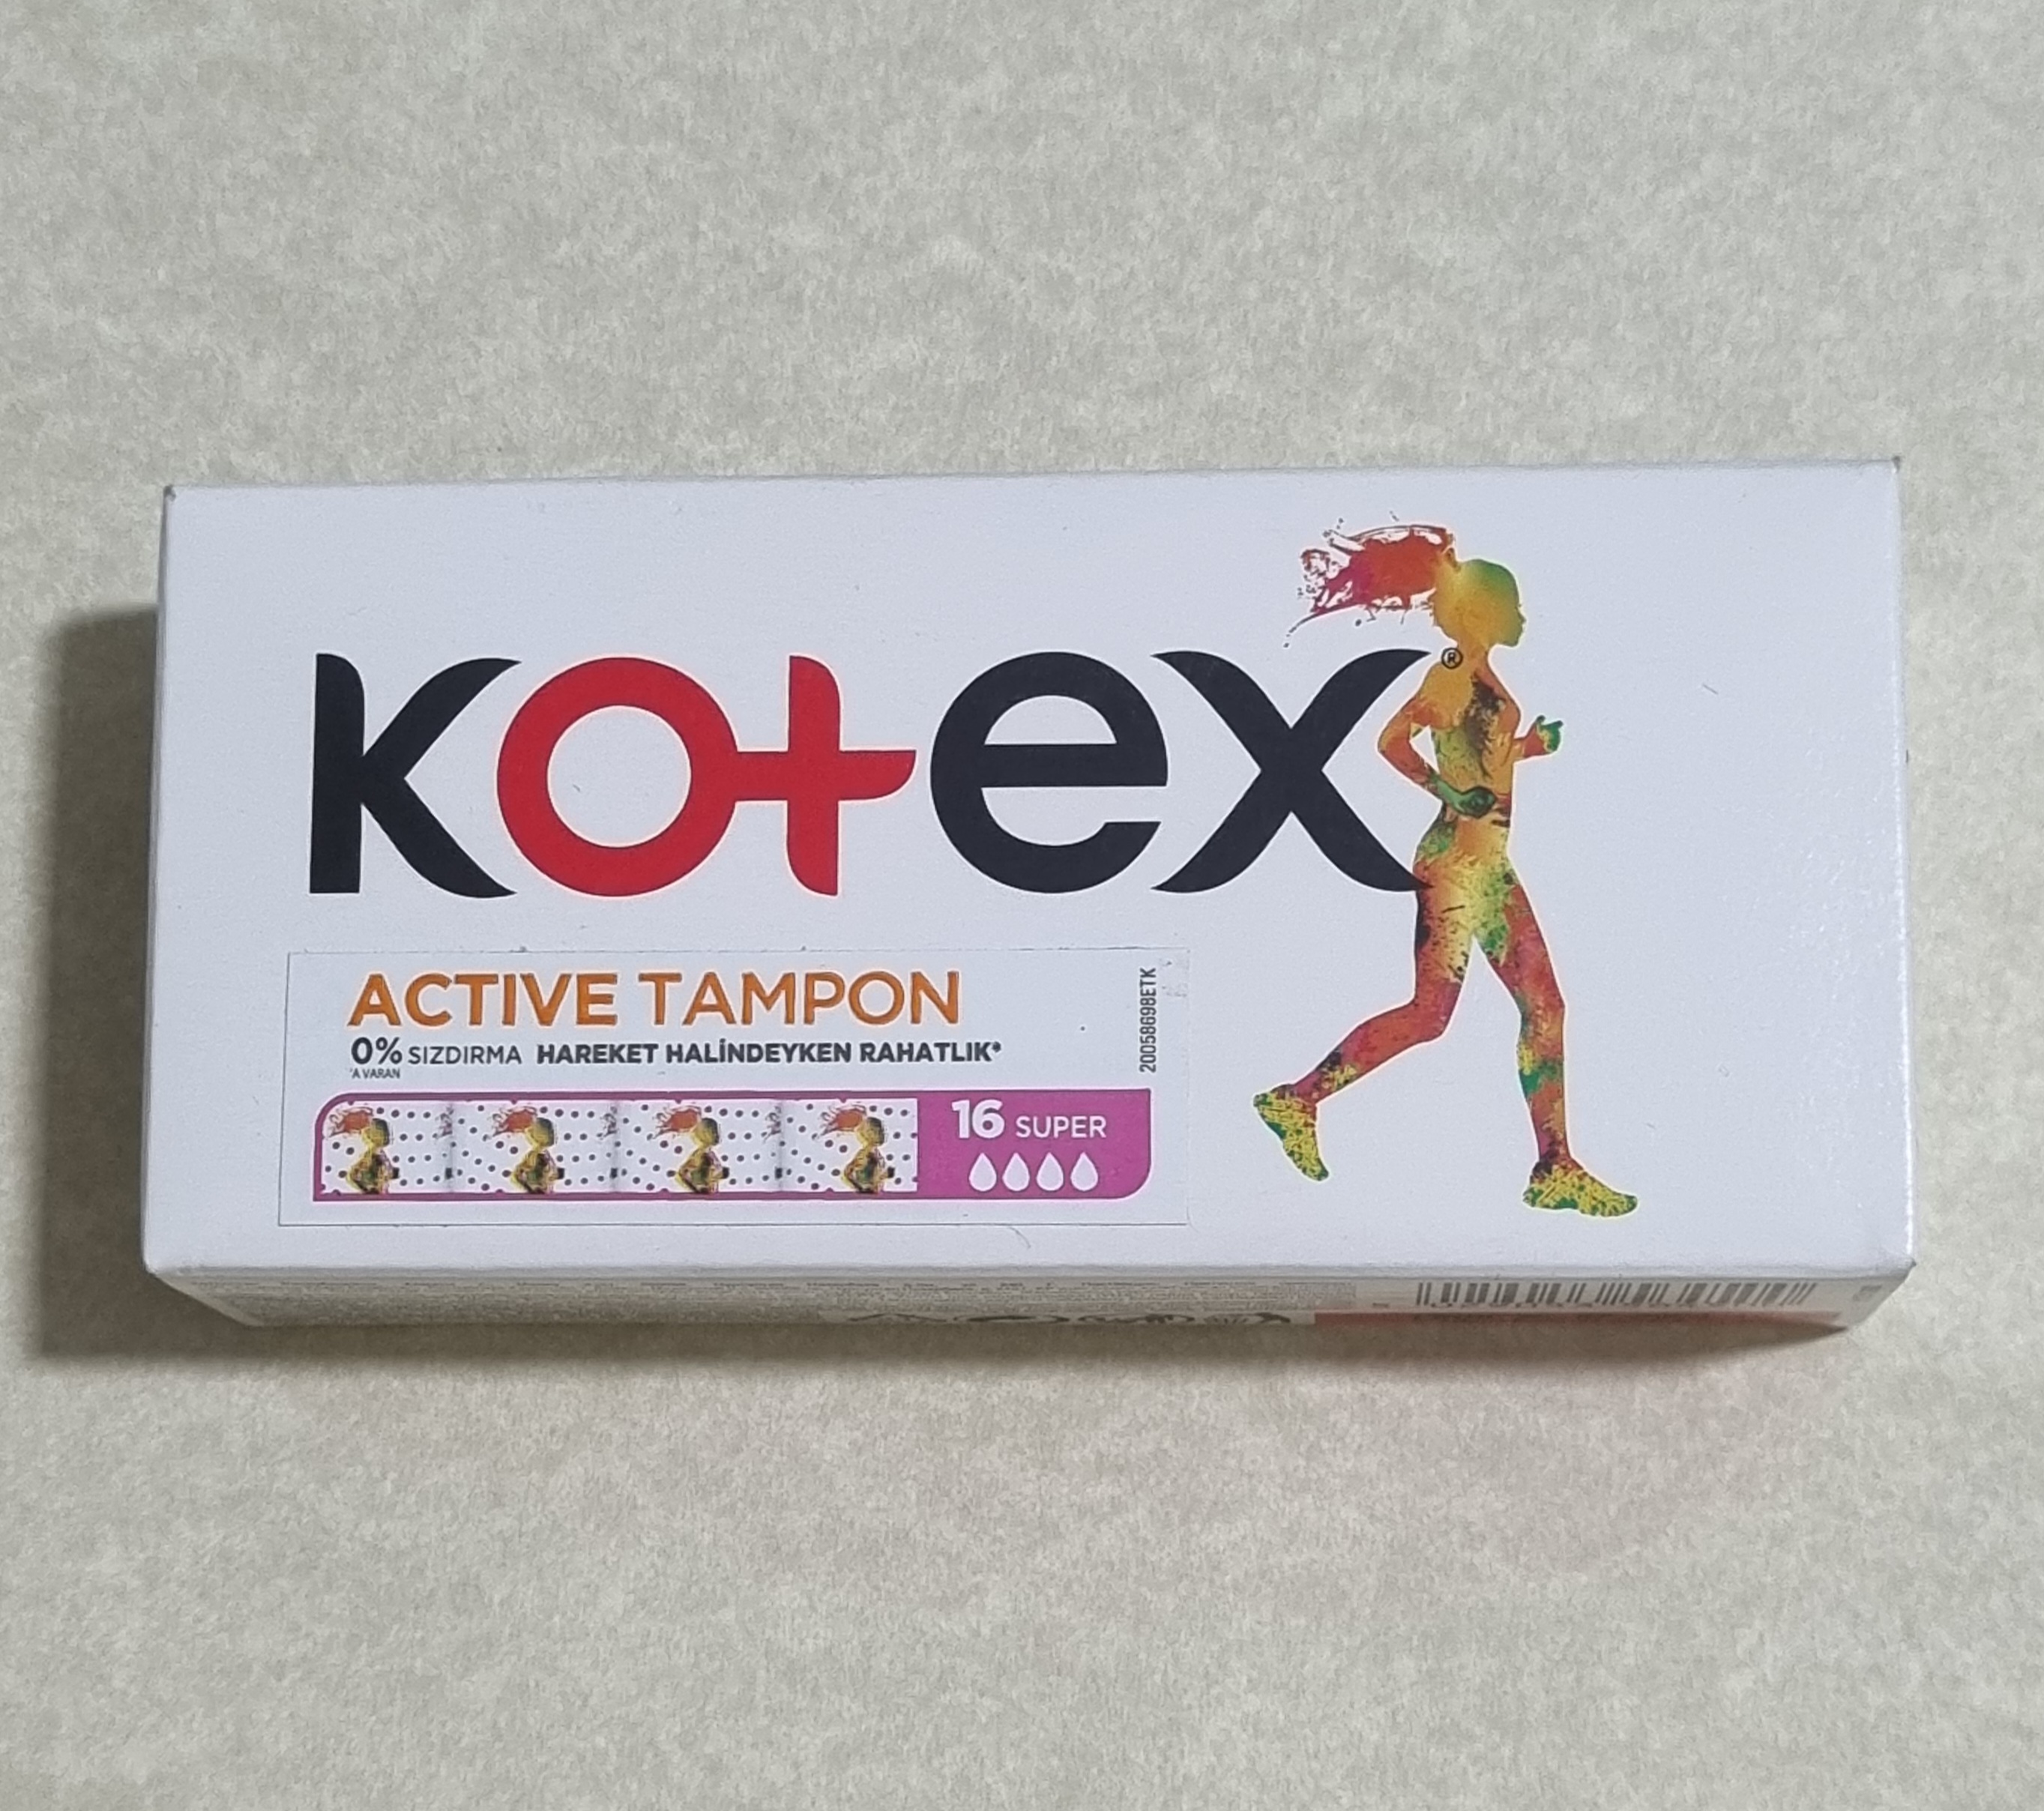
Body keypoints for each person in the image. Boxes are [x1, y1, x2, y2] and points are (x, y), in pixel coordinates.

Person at [1254, 550, 1635, 1217]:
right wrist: (1448, 794)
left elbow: (1475, 754)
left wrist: (1526, 749)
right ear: (1484, 612)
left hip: (1484, 867)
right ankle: (1297, 1099)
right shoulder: (1455, 669)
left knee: (1530, 1009)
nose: (1522, 616)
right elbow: (1392, 741)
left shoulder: (1478, 674)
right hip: (1459, 865)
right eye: (1512, 605)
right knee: (1444, 1015)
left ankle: (1553, 1168)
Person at [497, 1107, 561, 1195]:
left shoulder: (538, 1155)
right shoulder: (542, 1154)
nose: (526, 1133)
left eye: (530, 1130)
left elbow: (522, 1173)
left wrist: (522, 1180)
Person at [333, 1109, 397, 1194]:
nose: (364, 1133)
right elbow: (355, 1176)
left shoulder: (377, 1155)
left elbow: (356, 1176)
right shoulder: (373, 1156)